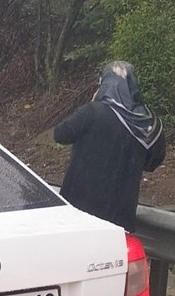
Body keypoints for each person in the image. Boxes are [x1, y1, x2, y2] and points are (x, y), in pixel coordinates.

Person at [53, 60, 165, 231]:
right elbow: (152, 162)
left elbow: (60, 135)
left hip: (80, 213)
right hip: (121, 218)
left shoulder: (92, 112)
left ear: (104, 84)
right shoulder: (150, 123)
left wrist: (92, 103)